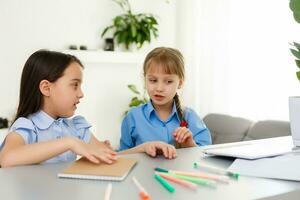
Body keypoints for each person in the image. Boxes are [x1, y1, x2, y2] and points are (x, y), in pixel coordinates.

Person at [0, 50, 117, 168]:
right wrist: (70, 143)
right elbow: (7, 158)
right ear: (46, 88)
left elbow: (109, 157)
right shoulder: (27, 126)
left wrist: (133, 150)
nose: (81, 94)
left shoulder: (77, 127)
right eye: (75, 85)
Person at [119, 47, 212, 159]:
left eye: (168, 82)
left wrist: (189, 145)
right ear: (145, 80)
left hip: (179, 176)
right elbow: (121, 158)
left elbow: (206, 157)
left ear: (180, 83)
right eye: (153, 80)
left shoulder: (190, 117)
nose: (159, 88)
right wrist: (143, 148)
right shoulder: (133, 117)